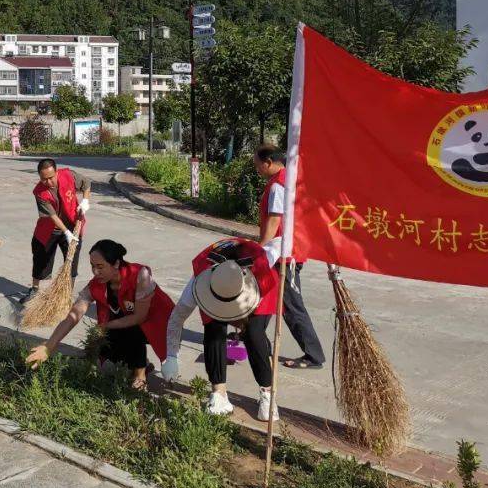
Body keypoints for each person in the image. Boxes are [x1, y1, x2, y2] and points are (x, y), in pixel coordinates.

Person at [26, 240, 174, 389]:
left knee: (130, 329)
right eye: (92, 266)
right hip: (130, 318)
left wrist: (106, 325)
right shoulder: (96, 285)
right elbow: (73, 316)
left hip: (159, 322)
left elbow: (139, 317)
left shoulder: (140, 275)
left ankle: (140, 376)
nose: (95, 272)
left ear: (116, 264)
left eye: (100, 266)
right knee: (107, 346)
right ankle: (144, 364)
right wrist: (49, 346)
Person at [161, 237, 281, 419]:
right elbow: (177, 318)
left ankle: (267, 394)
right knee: (213, 330)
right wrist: (171, 356)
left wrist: (290, 253)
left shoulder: (263, 262)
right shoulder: (199, 284)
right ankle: (219, 393)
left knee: (254, 334)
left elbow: (279, 243)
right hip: (215, 294)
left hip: (257, 287)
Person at [255, 144, 325, 370]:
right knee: (263, 297)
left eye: (257, 164)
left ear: (268, 162)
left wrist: (259, 249)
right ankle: (255, 340)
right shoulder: (288, 179)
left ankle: (313, 356)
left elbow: (274, 220)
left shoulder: (278, 185)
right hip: (286, 251)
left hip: (283, 255)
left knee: (291, 306)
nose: (256, 169)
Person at [19, 158, 92, 304]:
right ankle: (35, 289)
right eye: (43, 179)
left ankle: (66, 296)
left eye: (51, 178)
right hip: (49, 230)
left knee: (71, 263)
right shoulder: (39, 192)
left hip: (73, 225)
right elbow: (52, 216)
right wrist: (66, 232)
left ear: (56, 172)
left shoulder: (69, 175)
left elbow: (87, 184)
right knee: (41, 261)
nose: (48, 182)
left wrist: (85, 201)